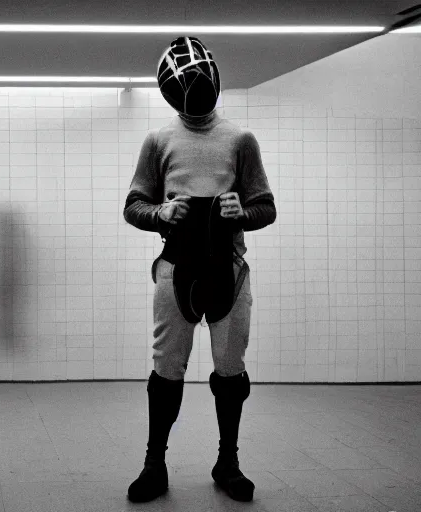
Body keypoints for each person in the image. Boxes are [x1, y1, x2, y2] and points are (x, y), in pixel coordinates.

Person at [123, 36, 277, 503]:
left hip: (228, 270)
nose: (194, 99)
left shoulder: (240, 140)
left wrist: (242, 213)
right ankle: (155, 464)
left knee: (230, 372)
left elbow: (266, 207)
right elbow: (133, 206)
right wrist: (160, 215)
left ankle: (227, 462)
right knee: (166, 370)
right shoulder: (158, 141)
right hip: (176, 271)